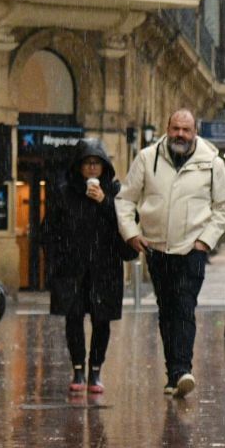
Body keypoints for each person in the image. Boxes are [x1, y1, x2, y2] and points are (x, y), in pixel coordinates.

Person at [116, 109, 225, 398]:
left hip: (192, 248)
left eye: (186, 129)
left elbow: (223, 207)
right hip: (156, 248)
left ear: (195, 132)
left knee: (183, 306)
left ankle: (182, 369)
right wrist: (131, 233)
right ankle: (173, 375)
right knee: (166, 309)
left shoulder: (212, 163)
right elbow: (125, 199)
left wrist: (205, 241)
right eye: (176, 128)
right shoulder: (146, 158)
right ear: (167, 128)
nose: (180, 134)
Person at [44, 138, 135, 395]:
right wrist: (56, 261)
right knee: (73, 318)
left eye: (97, 163)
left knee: (101, 319)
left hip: (105, 269)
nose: (92, 168)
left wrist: (104, 201)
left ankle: (96, 369)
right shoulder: (64, 192)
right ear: (79, 167)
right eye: (87, 163)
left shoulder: (116, 192)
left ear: (105, 166)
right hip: (72, 269)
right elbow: (49, 230)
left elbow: (126, 224)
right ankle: (77, 369)